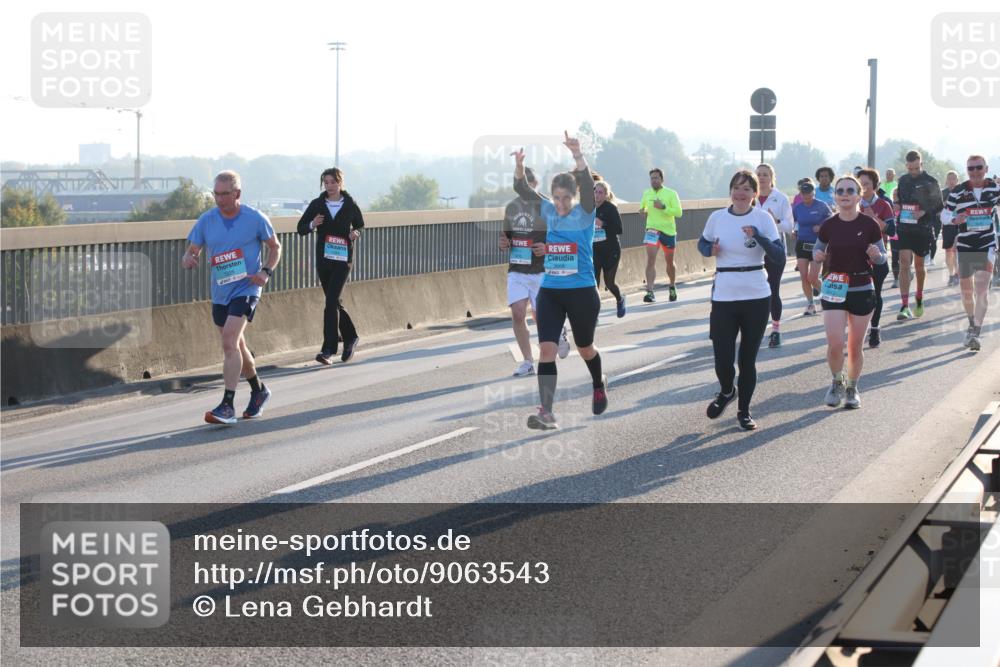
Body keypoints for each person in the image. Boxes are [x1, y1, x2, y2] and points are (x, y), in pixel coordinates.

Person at [513, 131, 606, 430]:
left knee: (585, 346)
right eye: (557, 198)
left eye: (567, 198)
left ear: (575, 197)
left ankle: (598, 381)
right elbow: (521, 188)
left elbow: (589, 186)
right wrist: (518, 165)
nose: (561, 203)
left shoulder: (586, 213)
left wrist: (578, 155)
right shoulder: (548, 210)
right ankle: (546, 412)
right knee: (548, 350)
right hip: (551, 291)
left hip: (582, 291)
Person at [183, 171, 281, 424]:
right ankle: (259, 390)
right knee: (236, 345)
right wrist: (188, 258)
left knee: (228, 341)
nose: (219, 199)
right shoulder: (207, 220)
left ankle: (227, 405)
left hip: (246, 289)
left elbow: (275, 247)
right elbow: (193, 249)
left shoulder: (255, 218)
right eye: (216, 193)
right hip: (220, 292)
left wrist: (265, 271)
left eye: (225, 194)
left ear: (237, 194)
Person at [699, 169, 784, 431]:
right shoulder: (717, 217)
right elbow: (702, 244)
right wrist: (708, 249)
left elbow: (779, 255)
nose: (741, 192)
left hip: (756, 294)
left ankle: (744, 411)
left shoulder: (763, 218)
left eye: (747, 188)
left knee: (747, 360)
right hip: (724, 293)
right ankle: (727, 390)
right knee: (722, 358)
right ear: (730, 191)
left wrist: (757, 236)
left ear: (754, 194)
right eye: (736, 187)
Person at [814, 175, 887, 409]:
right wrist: (817, 256)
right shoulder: (829, 224)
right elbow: (818, 248)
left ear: (858, 195)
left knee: (855, 345)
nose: (844, 194)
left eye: (849, 190)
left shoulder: (869, 225)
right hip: (835, 285)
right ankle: (837, 381)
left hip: (862, 286)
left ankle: (853, 386)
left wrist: (877, 255)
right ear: (835, 197)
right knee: (835, 342)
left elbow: (884, 255)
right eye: (840, 191)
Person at [296, 167, 364, 365]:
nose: (330, 186)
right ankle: (351, 337)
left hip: (343, 260)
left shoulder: (350, 204)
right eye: (326, 183)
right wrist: (313, 224)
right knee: (333, 302)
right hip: (324, 261)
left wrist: (356, 233)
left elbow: (360, 224)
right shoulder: (318, 204)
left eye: (333, 182)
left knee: (330, 301)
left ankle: (328, 350)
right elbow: (301, 228)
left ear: (340, 183)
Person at [941, 155, 999, 351]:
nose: (975, 172)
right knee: (967, 291)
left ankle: (976, 332)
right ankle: (971, 323)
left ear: (986, 168)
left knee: (982, 289)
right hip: (965, 244)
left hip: (987, 244)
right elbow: (944, 214)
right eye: (971, 168)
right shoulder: (958, 191)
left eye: (979, 167)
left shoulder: (994, 188)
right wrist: (954, 219)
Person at [498, 167, 548, 376]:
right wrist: (503, 242)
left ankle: (557, 335)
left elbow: (561, 235)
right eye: (522, 183)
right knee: (518, 314)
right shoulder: (511, 207)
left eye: (529, 182)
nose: (526, 186)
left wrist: (546, 248)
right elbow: (505, 236)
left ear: (535, 184)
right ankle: (528, 361)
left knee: (541, 318)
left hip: (541, 271)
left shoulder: (546, 206)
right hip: (518, 269)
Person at [894, 150, 943, 320]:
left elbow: (939, 205)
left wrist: (923, 211)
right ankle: (904, 305)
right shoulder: (903, 180)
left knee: (919, 267)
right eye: (910, 168)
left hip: (923, 229)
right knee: (904, 263)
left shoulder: (931, 181)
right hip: (904, 228)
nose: (913, 171)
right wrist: (897, 205)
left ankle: (919, 297)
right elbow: (898, 199)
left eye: (916, 168)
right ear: (906, 166)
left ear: (921, 164)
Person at [754, 164, 794, 347]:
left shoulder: (780, 198)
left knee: (773, 289)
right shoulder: (749, 197)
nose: (761, 178)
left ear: (771, 177)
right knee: (755, 291)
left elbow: (789, 227)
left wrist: (774, 221)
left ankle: (775, 329)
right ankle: (755, 328)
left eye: (765, 175)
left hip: (774, 249)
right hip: (753, 251)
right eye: (758, 175)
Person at [857, 168, 896, 348]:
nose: (863, 188)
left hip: (878, 258)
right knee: (857, 297)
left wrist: (875, 219)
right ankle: (858, 330)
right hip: (855, 259)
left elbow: (892, 231)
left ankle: (875, 328)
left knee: (876, 295)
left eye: (866, 184)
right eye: (861, 184)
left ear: (875, 186)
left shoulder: (883, 205)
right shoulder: (852, 203)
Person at [638, 168, 683, 303]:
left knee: (669, 262)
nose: (654, 180)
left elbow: (679, 213)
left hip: (668, 231)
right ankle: (650, 292)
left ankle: (672, 286)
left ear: (662, 179)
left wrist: (664, 207)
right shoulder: (646, 193)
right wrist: (642, 212)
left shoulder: (671, 193)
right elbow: (643, 208)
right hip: (652, 230)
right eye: (652, 178)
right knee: (650, 260)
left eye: (657, 178)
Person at [792, 178, 831, 316]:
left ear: (814, 193)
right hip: (802, 243)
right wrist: (794, 231)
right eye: (803, 193)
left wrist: (821, 227)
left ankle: (827, 296)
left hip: (817, 244)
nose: (806, 196)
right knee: (804, 277)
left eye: (809, 193)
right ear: (800, 194)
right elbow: (794, 221)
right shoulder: (797, 208)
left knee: (813, 277)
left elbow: (831, 220)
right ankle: (810, 304)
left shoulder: (821, 205)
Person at [593, 178, 626, 318]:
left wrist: (603, 224)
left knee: (609, 282)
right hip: (595, 250)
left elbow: (619, 229)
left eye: (601, 193)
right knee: (594, 283)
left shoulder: (611, 208)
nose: (598, 195)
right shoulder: (589, 208)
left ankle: (620, 299)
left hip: (611, 250)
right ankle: (593, 314)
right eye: (596, 192)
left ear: (606, 194)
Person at [940, 170, 961, 286]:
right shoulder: (943, 193)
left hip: (959, 225)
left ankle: (957, 274)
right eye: (949, 179)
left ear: (957, 181)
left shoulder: (963, 192)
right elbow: (937, 209)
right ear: (946, 181)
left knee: (957, 250)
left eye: (954, 179)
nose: (951, 181)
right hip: (948, 225)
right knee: (948, 251)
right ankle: (951, 274)